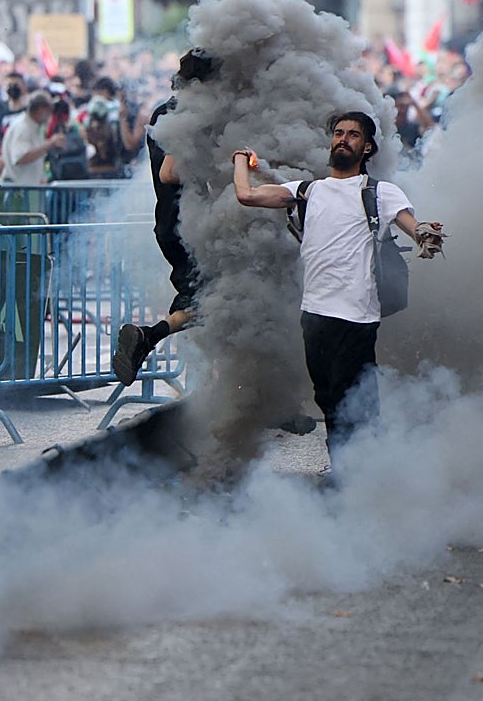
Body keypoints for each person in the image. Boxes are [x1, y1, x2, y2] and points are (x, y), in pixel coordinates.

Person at [232, 110, 445, 474]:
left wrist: (424, 233)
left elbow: (412, 225)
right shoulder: (308, 190)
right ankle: (351, 471)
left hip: (356, 316)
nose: (343, 139)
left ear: (366, 147)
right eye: (339, 133)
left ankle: (358, 477)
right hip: (314, 314)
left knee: (354, 402)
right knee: (328, 399)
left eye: (353, 135)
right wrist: (240, 160)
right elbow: (247, 195)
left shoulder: (379, 192)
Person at [111, 48, 217, 387]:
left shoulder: (163, 110)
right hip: (189, 227)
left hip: (176, 224)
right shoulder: (185, 114)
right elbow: (171, 171)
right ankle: (148, 338)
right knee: (223, 301)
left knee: (206, 302)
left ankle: (151, 340)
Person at [0, 90, 64, 184]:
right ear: (41, 109)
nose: (51, 114)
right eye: (49, 109)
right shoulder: (23, 127)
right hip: (18, 190)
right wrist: (50, 144)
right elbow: (20, 158)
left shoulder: (35, 127)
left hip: (30, 187)